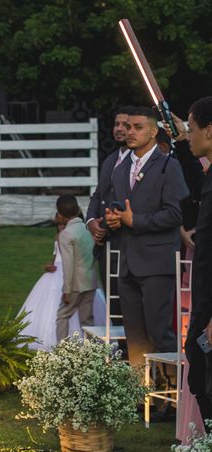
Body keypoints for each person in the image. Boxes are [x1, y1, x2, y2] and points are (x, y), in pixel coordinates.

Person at [105, 106, 189, 371]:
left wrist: (135, 221)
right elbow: (122, 209)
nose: (130, 132)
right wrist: (114, 220)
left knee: (158, 331)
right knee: (135, 336)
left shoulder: (168, 166)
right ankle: (142, 398)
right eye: (128, 127)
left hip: (157, 263)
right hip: (128, 262)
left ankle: (173, 397)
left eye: (137, 127)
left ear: (154, 132)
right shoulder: (120, 170)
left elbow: (176, 214)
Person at [174, 97, 212, 431]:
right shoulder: (210, 174)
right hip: (203, 300)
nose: (189, 133)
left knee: (203, 374)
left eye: (192, 127)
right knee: (199, 374)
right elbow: (196, 186)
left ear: (210, 130)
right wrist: (180, 140)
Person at [19, 216, 106, 350]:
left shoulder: (75, 235)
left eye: (62, 225)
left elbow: (74, 259)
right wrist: (51, 265)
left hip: (73, 274)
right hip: (61, 271)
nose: (61, 227)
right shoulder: (59, 237)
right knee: (59, 309)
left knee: (78, 313)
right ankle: (65, 345)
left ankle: (85, 346)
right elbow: (56, 257)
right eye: (59, 225)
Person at [86, 106, 133, 289]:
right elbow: (98, 195)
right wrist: (91, 222)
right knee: (111, 306)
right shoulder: (110, 160)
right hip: (105, 244)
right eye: (116, 124)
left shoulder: (139, 161)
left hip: (127, 243)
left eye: (125, 125)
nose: (119, 128)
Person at [55, 195, 98, 342]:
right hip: (91, 279)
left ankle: (63, 351)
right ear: (78, 209)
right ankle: (93, 353)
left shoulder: (66, 234)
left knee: (62, 316)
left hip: (75, 284)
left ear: (60, 215)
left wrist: (66, 290)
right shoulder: (88, 229)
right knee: (87, 320)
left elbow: (68, 264)